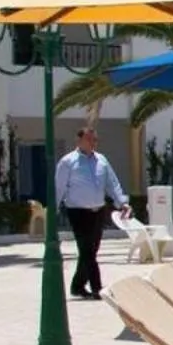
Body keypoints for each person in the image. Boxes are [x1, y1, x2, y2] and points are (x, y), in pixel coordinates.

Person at [56, 126, 130, 301]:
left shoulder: (101, 160)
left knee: (90, 251)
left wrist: (122, 203)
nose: (93, 143)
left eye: (95, 140)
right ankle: (97, 288)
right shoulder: (68, 162)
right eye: (90, 139)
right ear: (79, 140)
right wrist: (53, 209)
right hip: (77, 212)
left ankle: (78, 286)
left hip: (98, 211)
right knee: (87, 251)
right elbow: (58, 187)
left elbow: (112, 183)